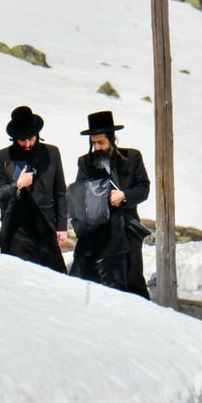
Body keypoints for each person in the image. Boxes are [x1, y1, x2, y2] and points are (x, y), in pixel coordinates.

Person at [69, 110, 152, 298]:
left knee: (133, 284)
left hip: (127, 232)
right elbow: (79, 194)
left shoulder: (132, 158)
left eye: (101, 142)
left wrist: (124, 196)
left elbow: (143, 189)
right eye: (94, 143)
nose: (97, 147)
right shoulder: (85, 163)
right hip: (98, 234)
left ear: (112, 139)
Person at [0, 105, 67, 272]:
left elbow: (60, 192)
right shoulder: (3, 157)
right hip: (17, 230)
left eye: (31, 138)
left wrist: (61, 226)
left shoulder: (52, 153)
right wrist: (17, 184)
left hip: (46, 226)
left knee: (57, 276)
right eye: (22, 140)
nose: (27, 144)